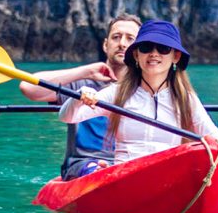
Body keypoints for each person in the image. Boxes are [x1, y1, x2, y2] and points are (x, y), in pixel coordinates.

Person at [59, 19, 218, 168]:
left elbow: (213, 137)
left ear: (175, 56)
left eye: (163, 48)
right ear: (136, 55)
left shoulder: (186, 100)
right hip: (124, 175)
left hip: (167, 175)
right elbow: (68, 116)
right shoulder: (118, 93)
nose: (154, 53)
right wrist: (80, 97)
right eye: (146, 48)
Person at [19, 14, 142, 179]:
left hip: (128, 164)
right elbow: (28, 88)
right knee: (94, 169)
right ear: (106, 45)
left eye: (130, 39)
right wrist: (86, 72)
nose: (122, 44)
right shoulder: (80, 84)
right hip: (84, 165)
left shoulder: (144, 91)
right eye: (116, 37)